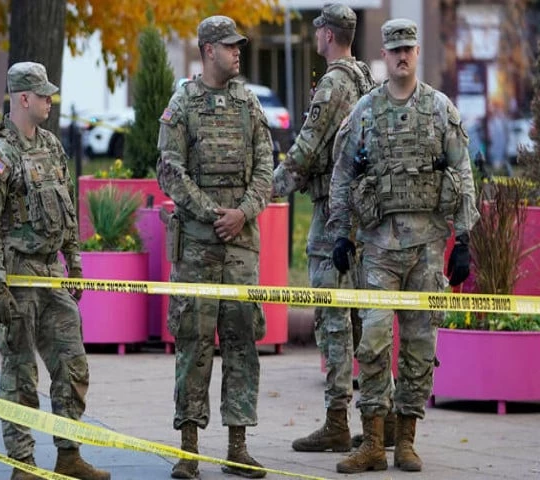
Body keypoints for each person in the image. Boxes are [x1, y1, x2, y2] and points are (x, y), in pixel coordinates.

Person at [328, 19, 479, 473]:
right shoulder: (365, 111)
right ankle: (373, 441)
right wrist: (341, 232)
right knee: (372, 342)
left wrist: (464, 238)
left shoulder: (439, 109)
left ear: (417, 53)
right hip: (377, 247)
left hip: (428, 249)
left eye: (408, 49)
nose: (401, 57)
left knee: (418, 346)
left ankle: (407, 441)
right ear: (384, 53)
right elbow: (342, 175)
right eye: (394, 50)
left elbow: (463, 172)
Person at [0, 61, 110, 480]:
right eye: (43, 94)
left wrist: (77, 262)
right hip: (16, 276)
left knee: (72, 366)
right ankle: (23, 464)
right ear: (23, 98)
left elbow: (66, 208)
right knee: (20, 375)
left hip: (51, 275)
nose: (50, 100)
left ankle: (69, 455)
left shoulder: (50, 145)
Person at [157, 15, 273, 479]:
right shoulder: (182, 103)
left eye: (238, 46)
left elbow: (267, 166)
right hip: (198, 247)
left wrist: (243, 212)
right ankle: (188, 447)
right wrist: (212, 213)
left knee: (242, 342)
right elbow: (169, 169)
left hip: (241, 247)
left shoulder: (249, 104)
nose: (237, 52)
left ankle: (237, 447)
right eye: (229, 46)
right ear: (208, 50)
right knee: (194, 342)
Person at [272, 4, 391, 454]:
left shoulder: (336, 83)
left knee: (332, 313)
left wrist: (267, 191)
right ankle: (384, 418)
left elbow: (305, 150)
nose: (314, 35)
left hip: (333, 214)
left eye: (317, 29)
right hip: (364, 215)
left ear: (327, 35)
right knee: (364, 315)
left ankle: (337, 419)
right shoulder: (364, 77)